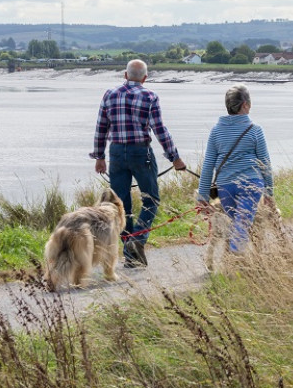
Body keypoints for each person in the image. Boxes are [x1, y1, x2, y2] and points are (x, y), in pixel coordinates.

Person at [90, 59, 186, 268]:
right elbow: (160, 129)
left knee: (120, 205)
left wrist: (99, 157)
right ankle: (136, 242)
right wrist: (175, 158)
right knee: (151, 200)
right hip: (141, 152)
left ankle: (131, 252)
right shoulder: (149, 96)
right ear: (144, 78)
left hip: (115, 153)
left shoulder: (109, 94)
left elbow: (101, 127)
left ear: (125, 75)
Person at [196, 84, 274, 253]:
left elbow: (208, 164)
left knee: (237, 225)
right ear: (245, 104)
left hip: (226, 187)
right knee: (241, 226)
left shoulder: (216, 131)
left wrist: (202, 195)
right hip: (251, 184)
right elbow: (265, 163)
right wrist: (269, 192)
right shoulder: (255, 130)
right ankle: (235, 262)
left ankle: (236, 264)